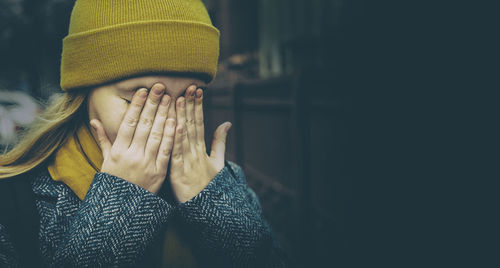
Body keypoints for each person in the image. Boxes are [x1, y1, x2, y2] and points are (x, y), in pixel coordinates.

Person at [0, 0, 287, 267]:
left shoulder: (220, 179)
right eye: (139, 100)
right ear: (84, 92)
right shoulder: (14, 200)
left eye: (187, 100)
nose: (167, 122)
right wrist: (120, 204)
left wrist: (216, 204)